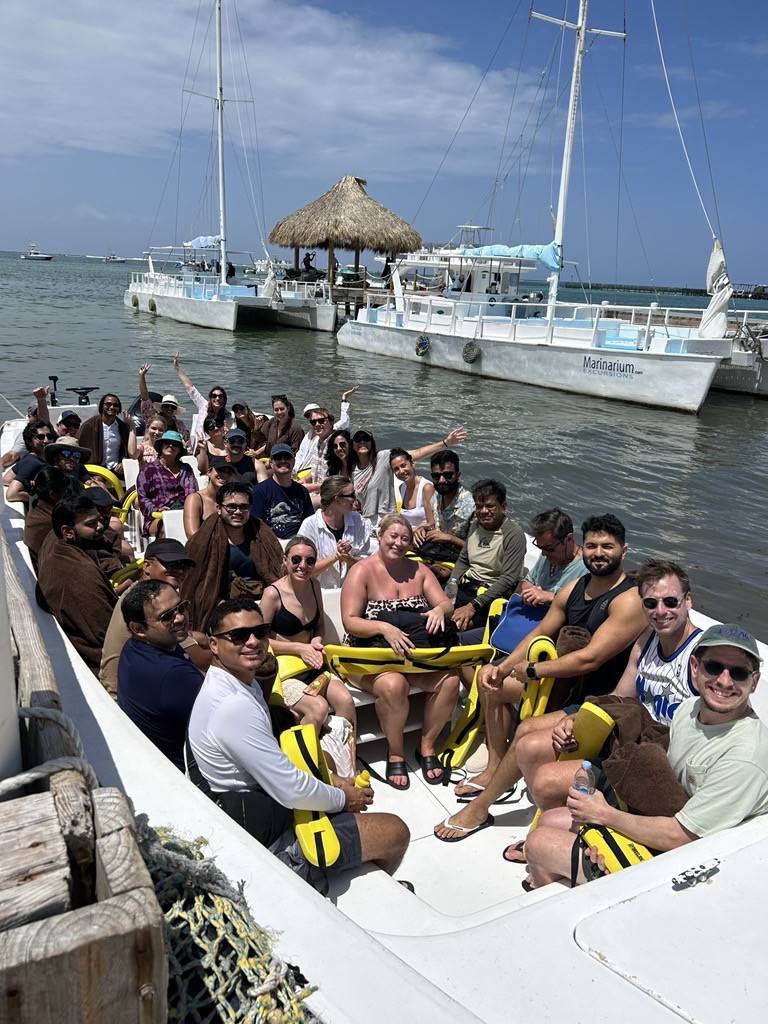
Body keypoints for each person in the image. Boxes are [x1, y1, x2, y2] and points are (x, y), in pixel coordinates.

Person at [434, 513, 645, 841]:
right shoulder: (575, 588)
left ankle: (481, 807)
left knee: (528, 731)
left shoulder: (629, 600)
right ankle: (494, 768)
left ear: (624, 550)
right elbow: (540, 633)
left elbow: (591, 659)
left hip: (599, 698)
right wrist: (503, 668)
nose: (598, 553)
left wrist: (534, 670)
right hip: (561, 684)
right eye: (592, 545)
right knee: (489, 683)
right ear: (582, 547)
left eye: (607, 546)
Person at [525, 623, 768, 889]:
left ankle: (559, 881)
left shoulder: (745, 756)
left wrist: (605, 815)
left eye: (739, 673)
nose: (724, 681)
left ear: (753, 682)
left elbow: (682, 837)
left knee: (538, 845)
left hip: (690, 861)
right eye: (713, 667)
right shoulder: (690, 708)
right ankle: (563, 876)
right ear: (695, 668)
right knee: (548, 821)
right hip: (671, 821)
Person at [187, 598, 409, 883]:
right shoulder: (232, 706)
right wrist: (343, 798)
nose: (253, 641)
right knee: (396, 831)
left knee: (326, 761)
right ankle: (351, 883)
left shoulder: (238, 681)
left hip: (262, 798)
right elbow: (290, 791)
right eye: (239, 635)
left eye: (261, 631)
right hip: (267, 835)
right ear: (214, 645)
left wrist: (332, 780)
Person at [513, 558, 702, 836]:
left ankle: (565, 831)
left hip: (658, 760)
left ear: (687, 601)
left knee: (544, 780)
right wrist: (578, 717)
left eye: (670, 602)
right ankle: (563, 824)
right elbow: (618, 697)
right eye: (650, 603)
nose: (660, 611)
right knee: (529, 747)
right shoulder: (646, 641)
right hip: (629, 737)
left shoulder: (702, 658)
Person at [341, 513, 460, 788]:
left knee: (450, 680)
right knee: (394, 685)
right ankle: (395, 751)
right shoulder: (361, 570)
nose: (398, 542)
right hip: (369, 658)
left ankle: (426, 746)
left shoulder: (419, 571)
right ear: (380, 537)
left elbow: (446, 604)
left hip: (413, 658)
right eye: (392, 536)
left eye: (404, 538)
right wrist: (384, 628)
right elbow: (350, 621)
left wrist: (439, 611)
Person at [260, 536, 356, 730]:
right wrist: (299, 648)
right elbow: (259, 641)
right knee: (318, 709)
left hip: (313, 665)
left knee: (346, 701)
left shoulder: (314, 586)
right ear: (284, 560)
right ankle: (305, 757)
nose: (302, 565)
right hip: (285, 672)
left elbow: (319, 625)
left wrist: (316, 642)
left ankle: (342, 755)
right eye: (296, 559)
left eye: (310, 561)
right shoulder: (272, 594)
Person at [100, 539, 209, 697]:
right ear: (147, 566)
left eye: (183, 566)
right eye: (171, 564)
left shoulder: (140, 592)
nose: (179, 571)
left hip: (126, 682)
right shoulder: (150, 603)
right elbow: (203, 661)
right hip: (123, 697)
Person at [117, 580, 204, 771]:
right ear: (139, 629)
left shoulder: (133, 647)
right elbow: (220, 724)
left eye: (181, 607)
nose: (180, 617)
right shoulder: (172, 674)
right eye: (167, 616)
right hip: (191, 774)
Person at [181, 482, 284, 630]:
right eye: (231, 506)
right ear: (218, 508)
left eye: (244, 507)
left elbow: (277, 574)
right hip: (220, 608)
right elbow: (198, 587)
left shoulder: (262, 534)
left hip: (261, 603)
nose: (238, 511)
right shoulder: (203, 541)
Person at [35, 494, 117, 673]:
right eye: (90, 524)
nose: (101, 526)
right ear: (67, 531)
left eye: (99, 520)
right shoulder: (79, 575)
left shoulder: (61, 549)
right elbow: (110, 634)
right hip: (103, 666)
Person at [448, 479, 527, 633]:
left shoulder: (513, 534)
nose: (483, 511)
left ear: (503, 506)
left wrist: (473, 606)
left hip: (488, 597)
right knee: (432, 612)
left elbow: (508, 579)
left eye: (490, 506)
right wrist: (451, 587)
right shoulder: (475, 526)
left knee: (454, 627)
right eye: (479, 506)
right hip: (466, 586)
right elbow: (464, 559)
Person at [351, 426, 468, 528]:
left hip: (384, 519)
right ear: (352, 444)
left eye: (366, 438)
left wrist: (445, 443)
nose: (362, 442)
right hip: (365, 519)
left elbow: (416, 453)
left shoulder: (382, 457)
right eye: (357, 439)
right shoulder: (352, 469)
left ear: (372, 442)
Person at [299, 476, 372, 589]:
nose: (355, 499)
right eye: (351, 495)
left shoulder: (358, 521)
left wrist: (348, 559)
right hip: (320, 594)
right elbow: (305, 570)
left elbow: (368, 563)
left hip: (353, 591)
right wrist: (336, 556)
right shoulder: (309, 526)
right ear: (337, 499)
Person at [411, 449, 475, 574]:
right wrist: (423, 529)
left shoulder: (473, 506)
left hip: (460, 562)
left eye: (447, 475)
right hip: (436, 554)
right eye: (436, 476)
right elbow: (435, 526)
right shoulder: (435, 497)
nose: (441, 480)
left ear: (458, 475)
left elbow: (480, 551)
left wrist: (451, 539)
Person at [518, 508, 585, 607]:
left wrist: (552, 597)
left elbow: (583, 607)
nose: (544, 553)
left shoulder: (585, 569)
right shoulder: (547, 554)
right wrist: (531, 591)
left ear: (569, 539)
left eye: (549, 548)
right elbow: (526, 582)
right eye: (540, 547)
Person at [136, 430, 198, 537]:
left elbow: (191, 494)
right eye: (167, 442)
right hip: (157, 516)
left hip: (184, 513)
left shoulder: (186, 469)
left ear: (179, 449)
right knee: (168, 528)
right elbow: (142, 498)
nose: (171, 446)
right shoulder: (147, 470)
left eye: (175, 444)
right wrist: (157, 510)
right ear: (161, 446)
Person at [250, 444, 314, 539]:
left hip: (298, 542)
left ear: (293, 461)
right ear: (271, 463)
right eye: (278, 458)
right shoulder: (260, 490)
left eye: (287, 457)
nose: (283, 461)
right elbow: (255, 524)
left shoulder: (302, 491)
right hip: (272, 542)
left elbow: (309, 522)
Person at [23, 466, 72, 571]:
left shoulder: (38, 509)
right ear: (53, 494)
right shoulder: (50, 524)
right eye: (66, 492)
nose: (69, 495)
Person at [295, 387, 356, 470]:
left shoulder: (329, 431)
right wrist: (295, 469)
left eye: (320, 420)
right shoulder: (308, 435)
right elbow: (300, 454)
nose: (316, 422)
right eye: (307, 415)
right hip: (302, 470)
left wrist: (344, 398)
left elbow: (344, 421)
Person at [173, 351, 233, 430]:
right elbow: (190, 387)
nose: (217, 398)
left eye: (220, 396)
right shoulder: (203, 405)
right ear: (210, 398)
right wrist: (177, 368)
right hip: (200, 440)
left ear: (224, 399)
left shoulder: (228, 415)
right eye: (214, 396)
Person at [77, 394, 135, 474]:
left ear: (119, 408)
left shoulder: (122, 427)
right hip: (96, 468)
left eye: (115, 405)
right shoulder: (89, 425)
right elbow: (79, 446)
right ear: (101, 406)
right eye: (108, 404)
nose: (111, 407)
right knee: (100, 483)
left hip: (116, 468)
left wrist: (123, 462)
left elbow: (128, 450)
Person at [137, 363, 191, 449]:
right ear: (162, 407)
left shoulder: (180, 425)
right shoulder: (152, 418)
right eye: (166, 406)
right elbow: (145, 398)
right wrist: (141, 376)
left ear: (175, 409)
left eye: (172, 407)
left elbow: (187, 442)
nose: (169, 408)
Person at [4, 420, 56, 503]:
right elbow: (11, 494)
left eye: (49, 436)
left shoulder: (29, 458)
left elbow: (6, 479)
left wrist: (28, 485)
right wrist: (41, 498)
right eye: (40, 437)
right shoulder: (33, 463)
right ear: (29, 441)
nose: (46, 440)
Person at [183, 455, 235, 537]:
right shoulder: (194, 499)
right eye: (221, 470)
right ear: (209, 472)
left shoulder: (232, 500)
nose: (225, 475)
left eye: (229, 472)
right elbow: (191, 535)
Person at [389, 447, 435, 530]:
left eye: (403, 466)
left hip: (422, 537)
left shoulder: (426, 487)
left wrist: (411, 531)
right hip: (406, 536)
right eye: (396, 469)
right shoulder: (402, 488)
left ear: (412, 463)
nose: (401, 471)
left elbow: (431, 524)